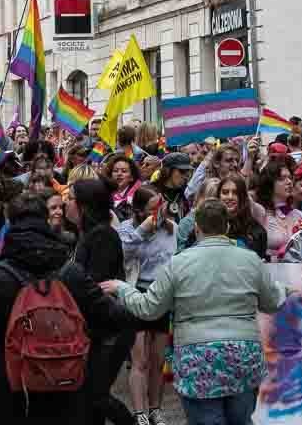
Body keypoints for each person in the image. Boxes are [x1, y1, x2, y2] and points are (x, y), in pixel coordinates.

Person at [0, 193, 136, 424]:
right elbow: (113, 318)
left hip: (6, 394)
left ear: (10, 224)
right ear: (46, 221)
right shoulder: (70, 274)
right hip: (64, 389)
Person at [99, 200, 286, 425]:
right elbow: (272, 302)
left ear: (197, 227)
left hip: (197, 358)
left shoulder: (178, 263)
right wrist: (285, 290)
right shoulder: (251, 260)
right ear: (227, 227)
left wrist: (122, 288)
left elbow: (148, 308)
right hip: (243, 355)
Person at [67, 178, 134, 425]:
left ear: (83, 206)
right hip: (98, 330)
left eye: (70, 198)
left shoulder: (103, 236)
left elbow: (95, 287)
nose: (66, 203)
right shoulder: (86, 234)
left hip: (110, 331)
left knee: (95, 395)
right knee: (88, 400)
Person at [117, 187, 175, 425]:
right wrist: (142, 231)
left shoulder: (172, 227)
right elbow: (121, 255)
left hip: (161, 293)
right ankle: (140, 412)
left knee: (158, 360)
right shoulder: (128, 229)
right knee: (139, 360)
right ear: (139, 210)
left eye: (160, 205)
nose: (158, 212)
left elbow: (174, 260)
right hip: (136, 291)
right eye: (152, 208)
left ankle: (155, 409)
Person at [253, 158, 302, 260]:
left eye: (290, 178)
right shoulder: (260, 213)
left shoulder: (298, 215)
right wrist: (250, 159)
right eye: (282, 178)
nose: (289, 182)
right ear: (269, 183)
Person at [152, 152, 192, 223]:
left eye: (188, 171)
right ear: (167, 170)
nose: (186, 176)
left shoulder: (185, 194)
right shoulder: (151, 190)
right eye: (182, 171)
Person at [105, 154, 141, 220]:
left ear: (131, 177)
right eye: (115, 171)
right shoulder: (104, 193)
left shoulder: (138, 195)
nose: (119, 174)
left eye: (124, 171)